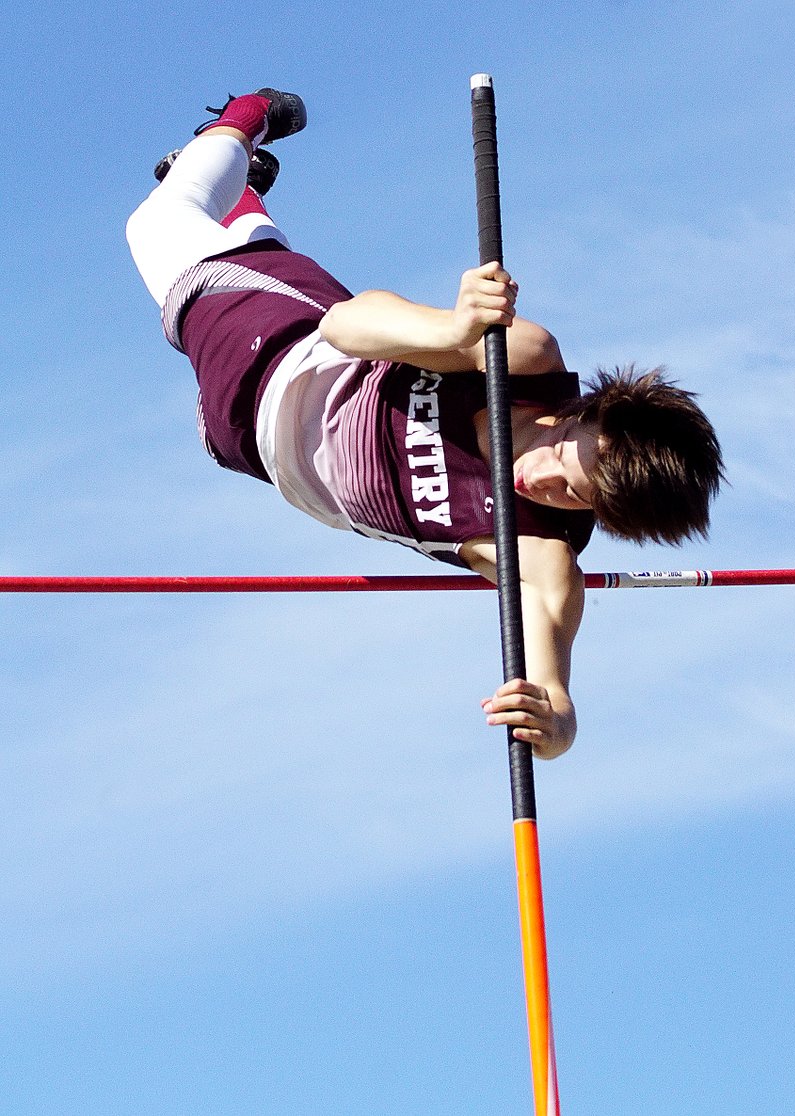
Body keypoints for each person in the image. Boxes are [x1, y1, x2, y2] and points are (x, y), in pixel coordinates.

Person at [126, 87, 724, 760]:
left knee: (245, 247)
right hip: (284, 347)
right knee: (161, 227)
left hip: (249, 444)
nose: (544, 477)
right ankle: (244, 118)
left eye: (574, 496)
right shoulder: (517, 358)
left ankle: (246, 190)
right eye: (564, 452)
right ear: (584, 411)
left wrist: (554, 728)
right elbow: (346, 322)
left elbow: (555, 697)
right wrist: (456, 328)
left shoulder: (541, 553)